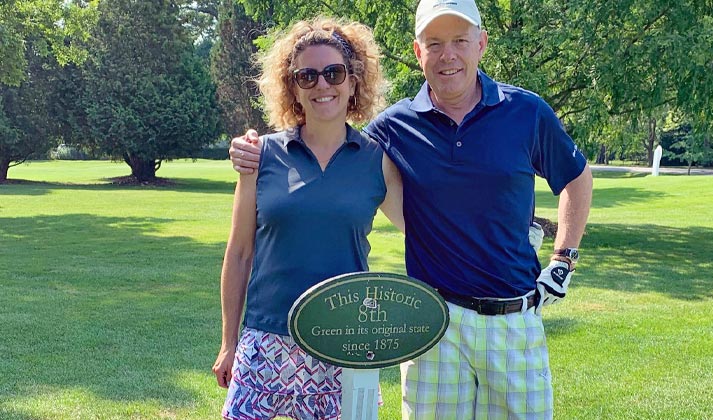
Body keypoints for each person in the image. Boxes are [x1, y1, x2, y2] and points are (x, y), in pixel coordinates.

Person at [229, 0, 593, 418]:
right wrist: (253, 149)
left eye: (460, 40)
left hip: (512, 318)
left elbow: (576, 178)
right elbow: (326, 134)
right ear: (419, 53)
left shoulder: (527, 112)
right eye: (434, 43)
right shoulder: (393, 127)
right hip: (430, 322)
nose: (448, 55)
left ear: (482, 44)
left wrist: (563, 259)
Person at [211, 16, 404, 420]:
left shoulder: (376, 160)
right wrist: (229, 343)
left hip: (341, 341)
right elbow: (240, 252)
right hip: (266, 338)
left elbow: (421, 232)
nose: (322, 85)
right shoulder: (259, 155)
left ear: (353, 82)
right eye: (307, 76)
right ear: (292, 88)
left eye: (333, 73)